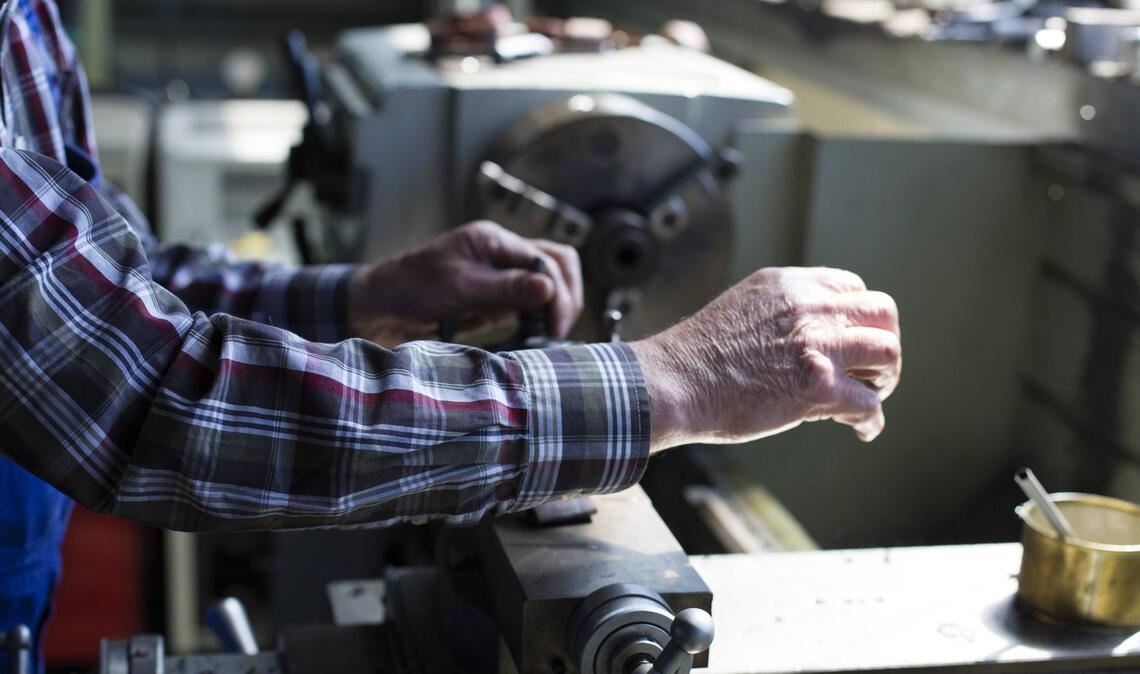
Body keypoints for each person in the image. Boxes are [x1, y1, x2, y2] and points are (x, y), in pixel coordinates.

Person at [0, 2, 902, 673]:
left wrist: (357, 296)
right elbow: (147, 390)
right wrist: (665, 384)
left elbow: (122, 287)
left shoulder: (29, 21)